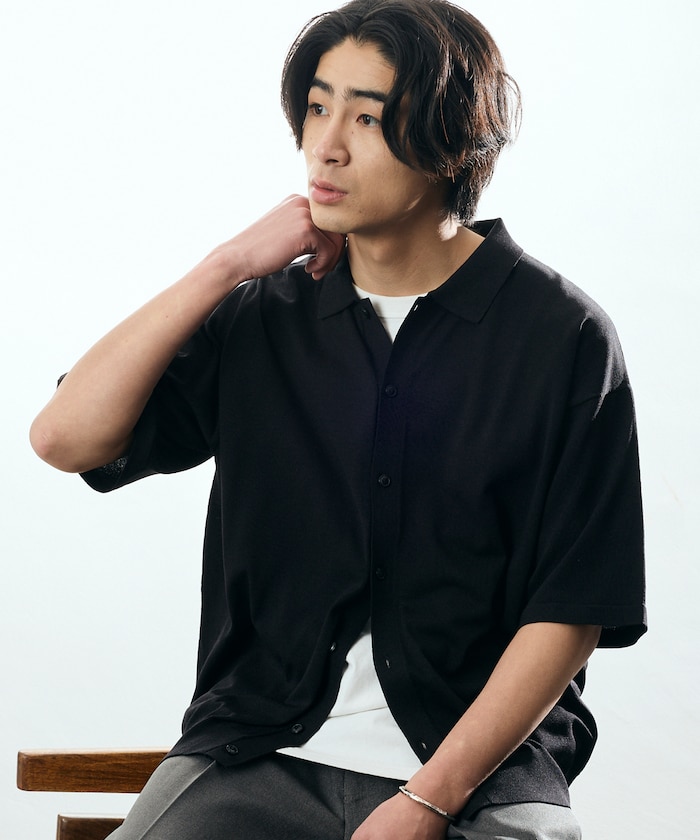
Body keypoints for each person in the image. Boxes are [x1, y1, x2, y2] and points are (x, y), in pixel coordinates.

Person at [30, 1, 646, 838]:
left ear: (452, 140)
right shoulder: (263, 315)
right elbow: (63, 437)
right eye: (317, 108)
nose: (326, 144)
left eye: (366, 117)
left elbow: (571, 610)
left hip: (481, 774)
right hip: (257, 753)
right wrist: (225, 266)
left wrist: (429, 798)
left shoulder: (561, 336)